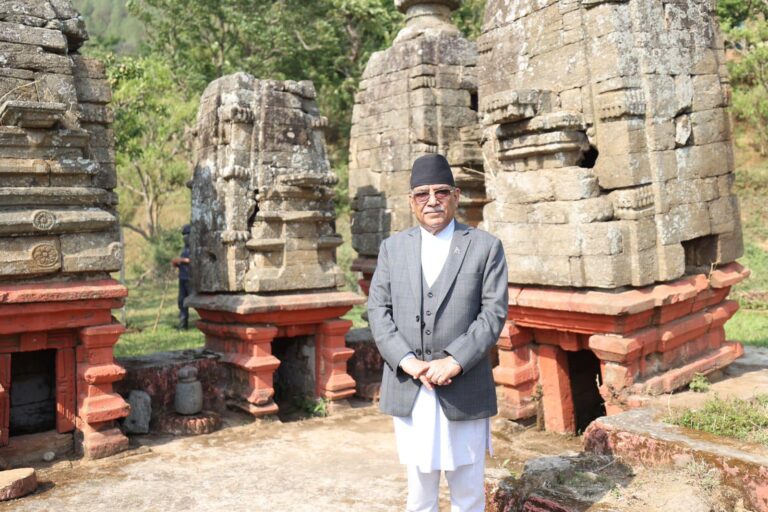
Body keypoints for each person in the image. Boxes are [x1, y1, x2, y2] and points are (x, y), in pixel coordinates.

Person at [368, 154, 509, 512]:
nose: (432, 201)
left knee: (468, 491)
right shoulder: (393, 249)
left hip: (464, 385)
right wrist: (407, 361)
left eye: (441, 192)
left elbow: (492, 313)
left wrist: (455, 361)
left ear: (456, 196)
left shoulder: (485, 247)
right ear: (411, 201)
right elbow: (378, 311)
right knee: (419, 494)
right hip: (411, 386)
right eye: (422, 194)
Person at [171, 224, 192, 330]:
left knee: (194, 301)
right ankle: (183, 325)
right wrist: (176, 263)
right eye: (184, 235)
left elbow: (193, 260)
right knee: (181, 301)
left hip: (191, 279)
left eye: (187, 235)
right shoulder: (184, 249)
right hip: (182, 278)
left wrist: (181, 260)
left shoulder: (195, 247)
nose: (185, 237)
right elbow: (184, 262)